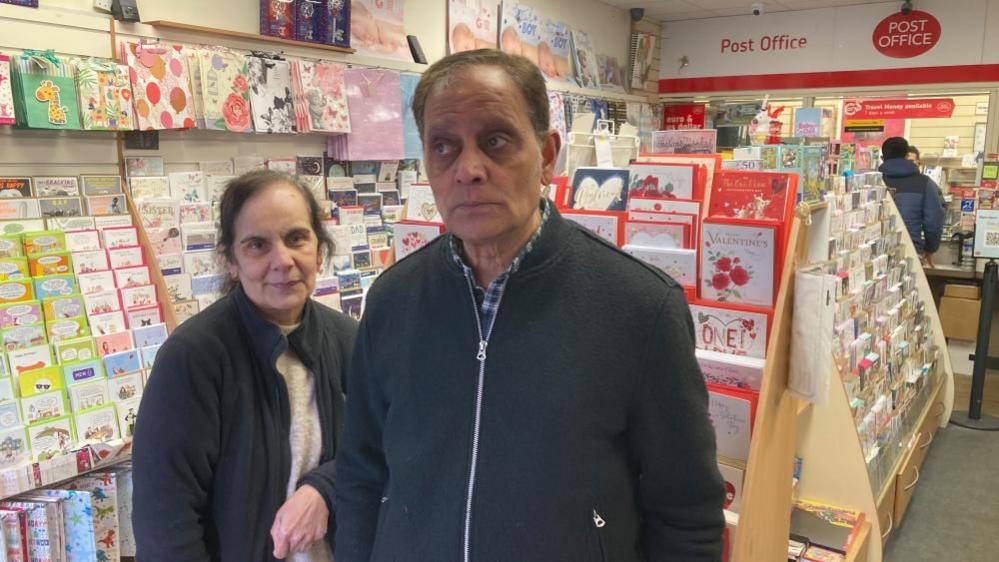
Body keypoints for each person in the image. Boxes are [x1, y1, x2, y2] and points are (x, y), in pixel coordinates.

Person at [334, 49, 725, 562]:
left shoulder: (640, 308)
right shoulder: (392, 300)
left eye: (496, 141)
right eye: (444, 147)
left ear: (546, 155)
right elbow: (362, 476)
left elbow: (687, 514)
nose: (469, 169)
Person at [132, 171, 358, 561]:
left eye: (296, 238)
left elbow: (386, 445)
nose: (282, 261)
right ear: (231, 260)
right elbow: (165, 522)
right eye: (257, 245)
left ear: (319, 250)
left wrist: (323, 487)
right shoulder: (192, 358)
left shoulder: (348, 340)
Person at [879, 137, 944, 266]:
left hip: (877, 252)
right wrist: (930, 248)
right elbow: (933, 222)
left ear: (882, 157)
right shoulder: (925, 183)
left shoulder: (873, 182)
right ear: (906, 155)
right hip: (911, 251)